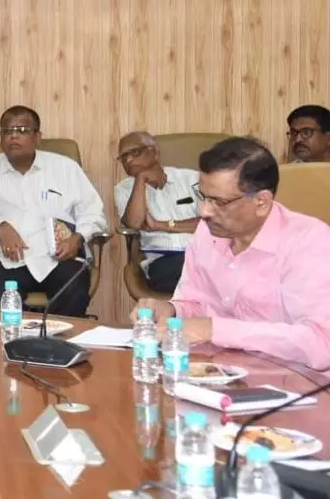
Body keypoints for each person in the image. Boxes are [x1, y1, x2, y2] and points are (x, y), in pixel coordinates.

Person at [133, 137, 330, 371]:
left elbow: (321, 344)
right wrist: (171, 310)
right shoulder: (208, 232)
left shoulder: (309, 242)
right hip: (221, 375)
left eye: (219, 202)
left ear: (261, 202)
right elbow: (196, 302)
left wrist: (214, 329)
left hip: (295, 384)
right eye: (203, 196)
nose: (204, 211)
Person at [0, 106, 107, 317]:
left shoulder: (66, 168)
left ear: (37, 137)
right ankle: (13, 347)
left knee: (74, 292)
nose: (13, 136)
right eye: (7, 130)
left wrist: (77, 238)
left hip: (59, 259)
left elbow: (94, 213)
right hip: (8, 261)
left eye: (22, 130)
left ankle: (56, 346)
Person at [113, 131, 200, 294]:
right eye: (123, 157)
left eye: (135, 152)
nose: (128, 160)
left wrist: (162, 225)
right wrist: (141, 179)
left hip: (202, 254)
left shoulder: (192, 178)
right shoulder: (123, 189)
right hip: (162, 262)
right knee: (206, 277)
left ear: (154, 152)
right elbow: (134, 224)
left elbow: (213, 221)